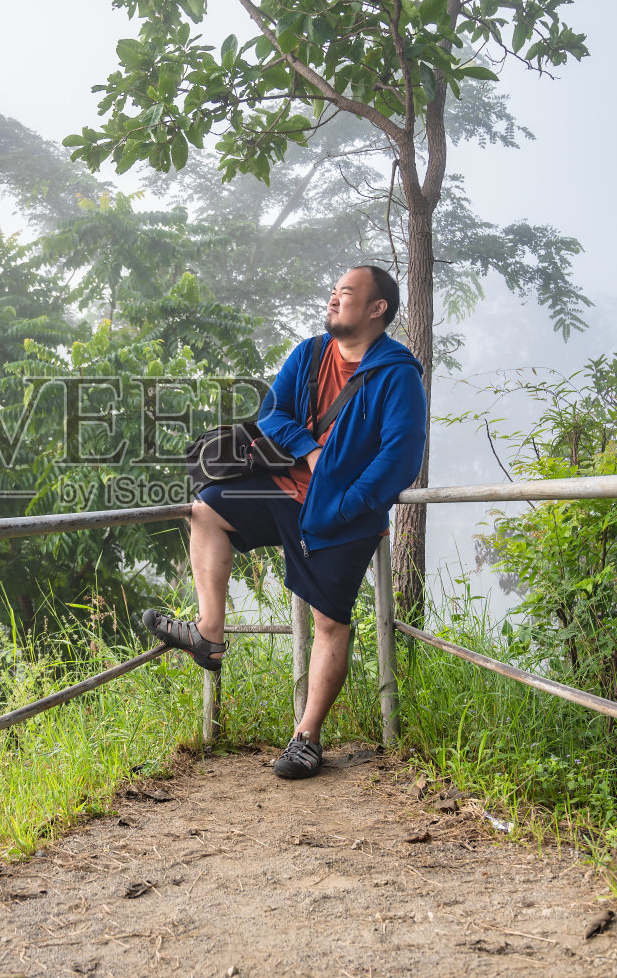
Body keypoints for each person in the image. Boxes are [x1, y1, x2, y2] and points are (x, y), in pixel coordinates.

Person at [143, 264, 427, 779]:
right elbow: (274, 416)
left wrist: (345, 504)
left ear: (376, 308)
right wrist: (311, 451)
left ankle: (306, 737)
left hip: (342, 515)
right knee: (206, 508)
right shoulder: (311, 354)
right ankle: (209, 633)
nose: (334, 299)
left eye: (346, 292)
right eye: (334, 290)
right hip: (282, 490)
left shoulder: (398, 375)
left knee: (329, 622)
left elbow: (400, 459)